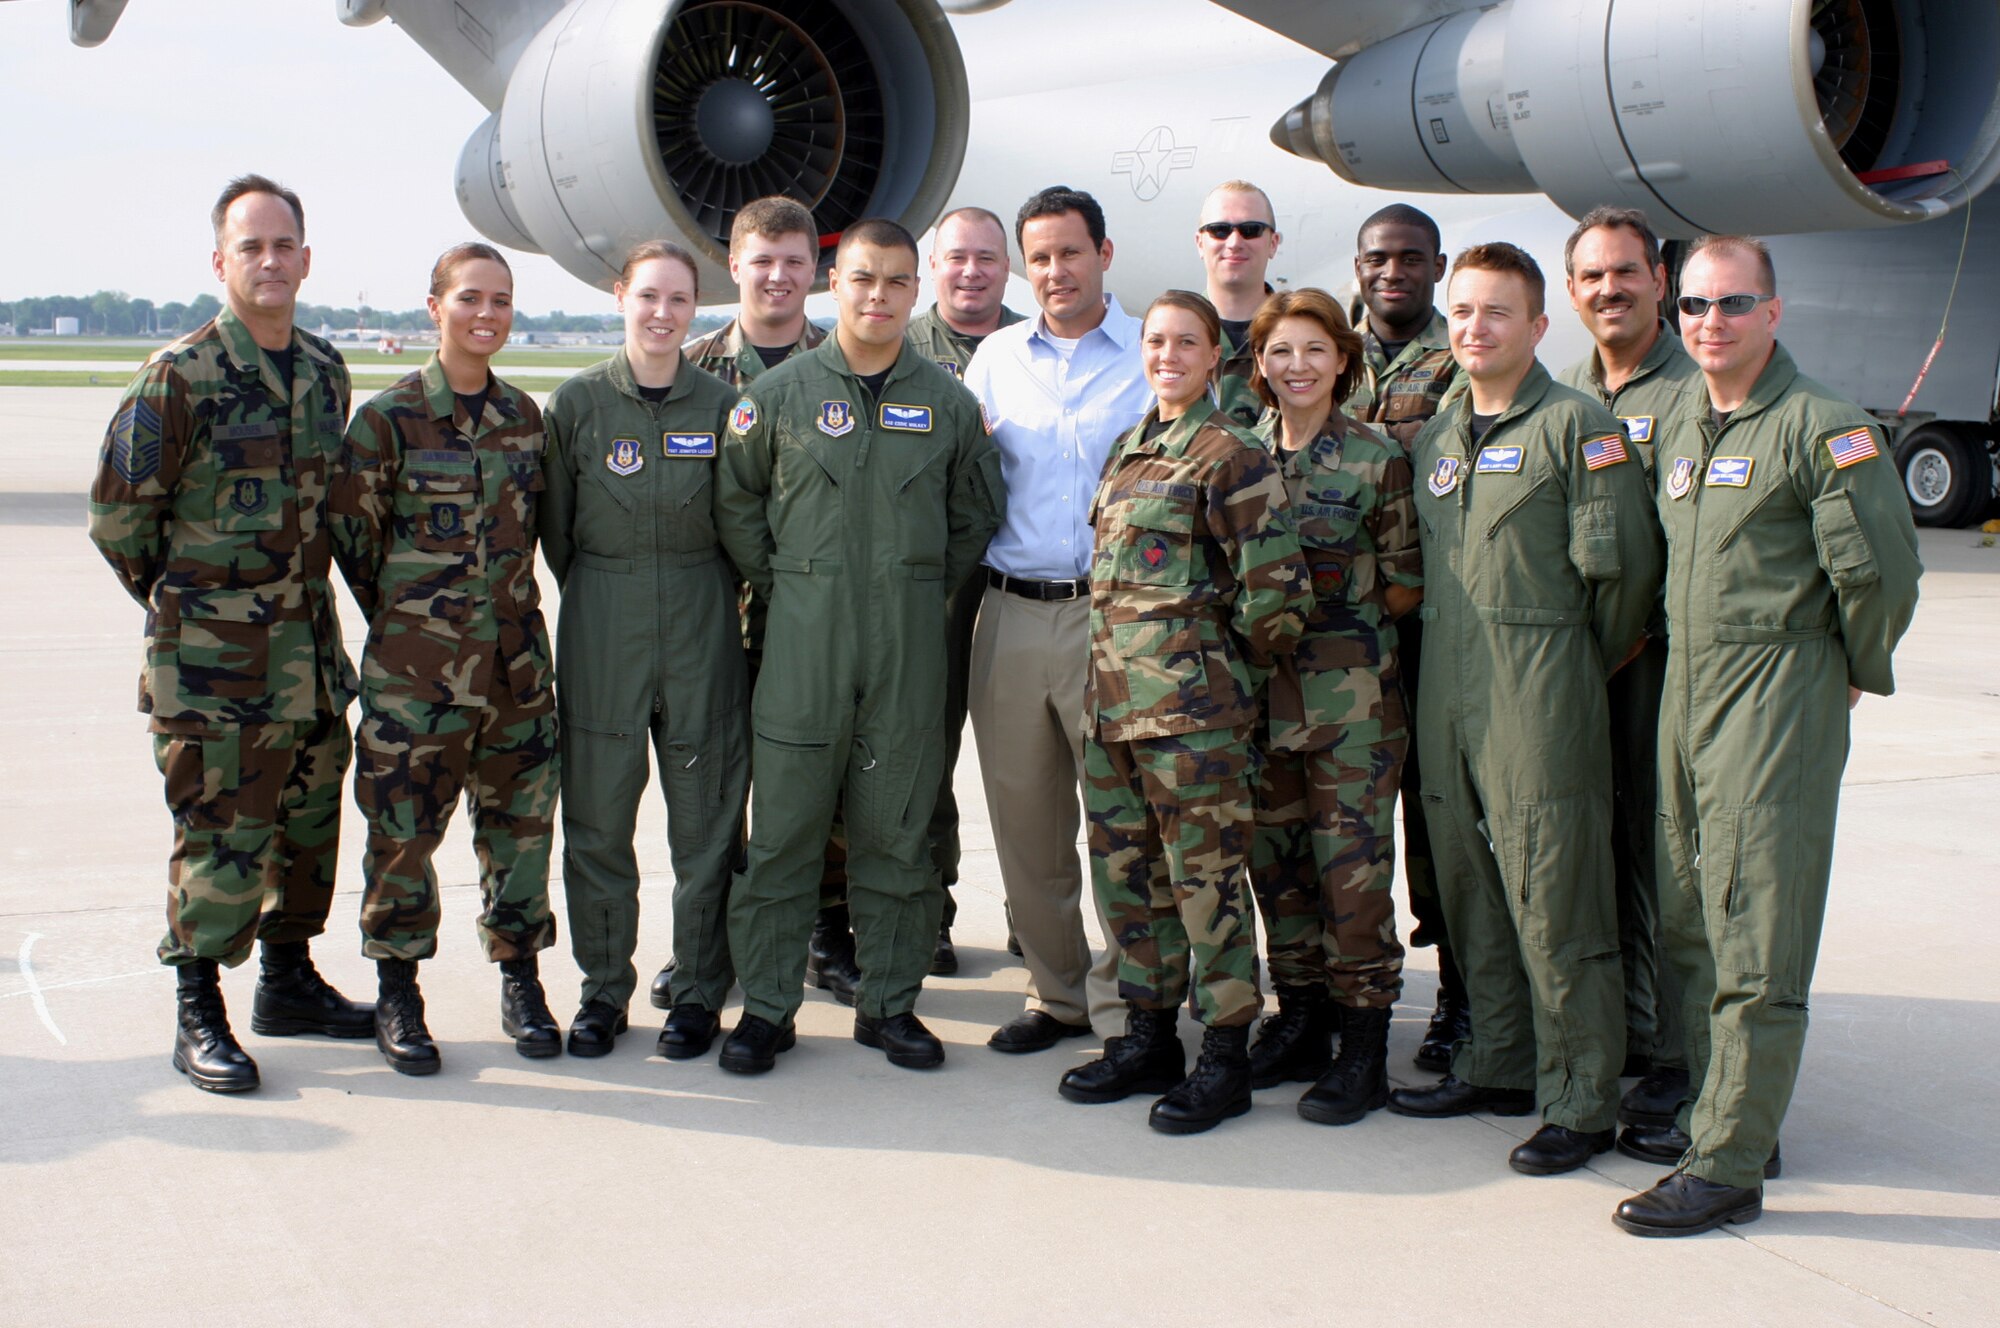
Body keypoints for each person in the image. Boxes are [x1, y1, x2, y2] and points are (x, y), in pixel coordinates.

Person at [1613, 236, 1920, 1236]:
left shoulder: (1820, 428)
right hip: (1688, 694)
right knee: (1687, 917)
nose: (1709, 322)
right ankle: (1728, 1111)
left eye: (1731, 304)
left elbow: (1879, 575)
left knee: (1756, 928)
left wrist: (1840, 673)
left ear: (1773, 312)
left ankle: (1729, 1161)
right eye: (1694, 305)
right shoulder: (1682, 424)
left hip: (1772, 692)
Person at [87, 174, 372, 1092]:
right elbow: (120, 522)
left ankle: (287, 982)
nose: (270, 260)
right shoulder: (180, 377)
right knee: (219, 838)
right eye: (250, 246)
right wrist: (194, 615)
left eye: (284, 244)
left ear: (306, 258)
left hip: (311, 662)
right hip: (214, 673)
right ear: (221, 261)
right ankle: (197, 1007)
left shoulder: (326, 372)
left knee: (307, 827)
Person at [1385, 243, 1664, 1179]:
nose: (1474, 328)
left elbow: (1621, 583)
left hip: (1539, 690)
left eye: (1495, 313)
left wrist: (1561, 669)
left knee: (1555, 893)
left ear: (1539, 327)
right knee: (1466, 881)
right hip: (1446, 690)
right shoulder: (1438, 437)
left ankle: (1583, 1096)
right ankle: (1499, 1061)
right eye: (1461, 312)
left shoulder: (1578, 429)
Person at [713, 218, 1004, 1075]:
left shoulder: (949, 404)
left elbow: (974, 517)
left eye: (896, 282)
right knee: (785, 836)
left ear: (916, 292)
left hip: (910, 648)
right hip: (802, 648)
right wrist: (799, 588)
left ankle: (890, 1004)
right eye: (862, 279)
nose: (878, 296)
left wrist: (911, 585)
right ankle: (767, 1009)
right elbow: (737, 506)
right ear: (832, 285)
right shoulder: (777, 398)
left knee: (897, 835)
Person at [1057, 290, 1309, 1133]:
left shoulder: (1230, 454)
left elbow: (1277, 599)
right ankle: (1149, 1037)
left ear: (1214, 357)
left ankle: (1226, 1055)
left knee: (1207, 891)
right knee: (1131, 886)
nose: (1168, 354)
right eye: (1156, 340)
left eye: (1186, 342)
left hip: (1193, 721)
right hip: (1113, 716)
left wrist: (1210, 679)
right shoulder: (1131, 449)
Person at [331, 242, 561, 1075]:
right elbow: (356, 545)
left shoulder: (526, 421)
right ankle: (399, 993)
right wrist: (417, 626)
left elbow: (540, 534)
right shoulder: (385, 422)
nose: (487, 314)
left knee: (521, 833)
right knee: (403, 837)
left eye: (501, 300)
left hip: (516, 675)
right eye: (470, 298)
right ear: (436, 307)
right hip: (415, 680)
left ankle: (522, 981)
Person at [539, 241, 749, 1062]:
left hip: (701, 622)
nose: (662, 314)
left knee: (706, 826)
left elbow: (739, 525)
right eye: (647, 296)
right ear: (620, 296)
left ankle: (698, 991)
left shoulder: (724, 405)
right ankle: (601, 993)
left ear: (695, 308)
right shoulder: (579, 405)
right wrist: (608, 595)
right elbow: (558, 533)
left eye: (678, 300)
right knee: (597, 822)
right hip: (603, 622)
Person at [960, 186, 1153, 1054]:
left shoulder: (1150, 350)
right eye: (1037, 257)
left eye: (1069, 253)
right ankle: (1058, 995)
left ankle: (1128, 1007)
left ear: (1104, 255)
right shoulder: (995, 359)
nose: (1053, 272)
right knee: (1026, 823)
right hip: (1011, 614)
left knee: (1122, 825)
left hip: (1113, 620)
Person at [675, 196, 860, 1009]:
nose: (779, 276)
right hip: (713, 619)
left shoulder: (850, 364)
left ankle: (826, 931)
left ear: (815, 273)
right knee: (715, 789)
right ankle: (707, 944)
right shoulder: (690, 370)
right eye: (763, 260)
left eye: (794, 261)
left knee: (825, 784)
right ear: (734, 266)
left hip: (815, 621)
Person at [1243, 289, 1422, 1124]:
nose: (1298, 366)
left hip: (1349, 711)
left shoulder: (1374, 456)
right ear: (1259, 363)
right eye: (1281, 351)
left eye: (1315, 350)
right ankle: (1302, 1019)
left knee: (1351, 883)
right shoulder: (1237, 454)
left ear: (1343, 360)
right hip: (1258, 708)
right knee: (1277, 875)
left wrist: (1332, 643)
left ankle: (1363, 1048)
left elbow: (1403, 582)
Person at [1557, 206, 1706, 1131]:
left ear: (1658, 280)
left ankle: (1685, 1060)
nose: (1609, 290)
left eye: (1625, 273)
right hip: (1580, 663)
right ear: (1570, 293)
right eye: (1591, 277)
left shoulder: (1697, 390)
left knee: (1674, 862)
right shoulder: (1566, 392)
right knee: (1598, 853)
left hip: (1668, 666)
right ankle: (1629, 1038)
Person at [1346, 203, 1465, 1071]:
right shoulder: (1320, 349)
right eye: (1378, 258)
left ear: (1438, 265)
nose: (1393, 272)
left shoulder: (1462, 360)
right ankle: (1329, 1003)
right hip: (1339, 640)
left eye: (1410, 259)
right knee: (1340, 834)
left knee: (1441, 826)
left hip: (1430, 633)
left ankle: (1463, 997)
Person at [904, 205, 1027, 974]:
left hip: (1021, 569)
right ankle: (931, 906)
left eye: (987, 258)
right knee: (925, 744)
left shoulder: (1034, 341)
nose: (972, 271)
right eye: (957, 258)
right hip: (936, 577)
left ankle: (1032, 909)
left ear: (1005, 266)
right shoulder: (902, 346)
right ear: (933, 266)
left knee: (1030, 756)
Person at [1195, 180, 1282, 428]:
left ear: (1273, 243)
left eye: (1251, 229)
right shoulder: (1171, 336)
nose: (1234, 242)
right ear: (1200, 243)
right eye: (1219, 230)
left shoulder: (1302, 333)